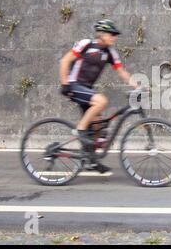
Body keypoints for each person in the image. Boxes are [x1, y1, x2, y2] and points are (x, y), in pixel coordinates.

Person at [59, 19, 139, 173]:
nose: (115, 37)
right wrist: (64, 84)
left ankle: (91, 161)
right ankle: (80, 129)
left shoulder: (110, 53)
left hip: (86, 90)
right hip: (74, 85)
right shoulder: (86, 44)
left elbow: (122, 72)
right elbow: (65, 60)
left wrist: (138, 86)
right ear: (102, 34)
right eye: (112, 34)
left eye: (116, 35)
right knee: (101, 101)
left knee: (98, 126)